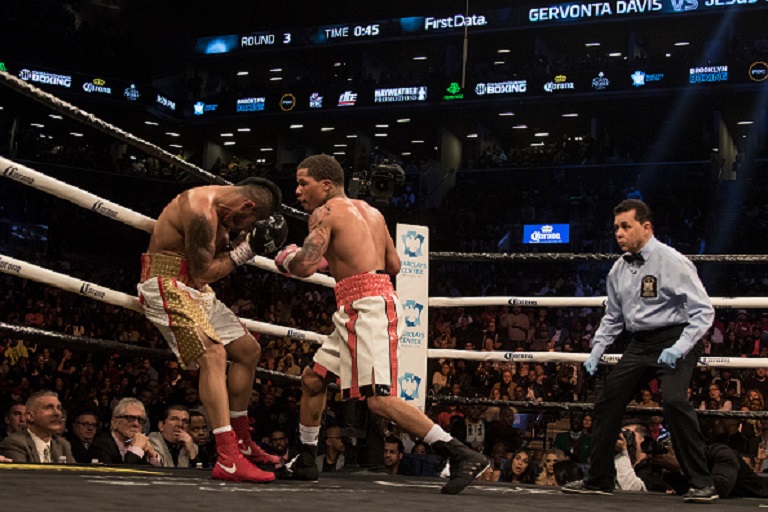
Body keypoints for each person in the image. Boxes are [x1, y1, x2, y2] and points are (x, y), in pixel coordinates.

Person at [274, 154, 489, 494]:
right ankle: (305, 458)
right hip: (363, 305)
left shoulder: (324, 213)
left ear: (326, 185)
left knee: (378, 401)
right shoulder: (373, 213)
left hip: (366, 310)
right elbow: (394, 263)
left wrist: (285, 256)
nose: (298, 191)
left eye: (304, 183)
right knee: (313, 379)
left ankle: (461, 453)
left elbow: (304, 266)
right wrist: (342, 259)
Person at [562, 199, 717, 503]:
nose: (618, 233)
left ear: (646, 228)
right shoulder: (619, 269)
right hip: (640, 343)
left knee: (673, 401)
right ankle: (599, 478)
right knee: (606, 402)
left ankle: (702, 482)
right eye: (616, 227)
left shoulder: (672, 261)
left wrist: (679, 348)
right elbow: (613, 316)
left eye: (625, 226)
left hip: (677, 336)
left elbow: (703, 312)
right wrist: (596, 350)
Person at [136, 177, 286, 482]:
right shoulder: (201, 211)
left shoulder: (225, 215)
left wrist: (241, 244)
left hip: (199, 293)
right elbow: (205, 269)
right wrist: (246, 251)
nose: (242, 231)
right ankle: (228, 456)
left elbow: (210, 270)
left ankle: (242, 441)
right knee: (213, 353)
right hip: (166, 283)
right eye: (247, 223)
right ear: (247, 205)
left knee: (248, 349)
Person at [0, 390, 74, 463]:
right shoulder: (14, 443)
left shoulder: (62, 444)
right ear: (30, 416)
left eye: (59, 408)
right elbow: (24, 475)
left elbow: (74, 474)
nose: (57, 413)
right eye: (49, 407)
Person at [90, 397, 161, 466]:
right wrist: (136, 449)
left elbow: (153, 476)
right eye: (130, 418)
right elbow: (120, 475)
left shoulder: (141, 446)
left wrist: (152, 455)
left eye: (140, 420)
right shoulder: (100, 446)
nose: (136, 424)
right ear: (114, 423)